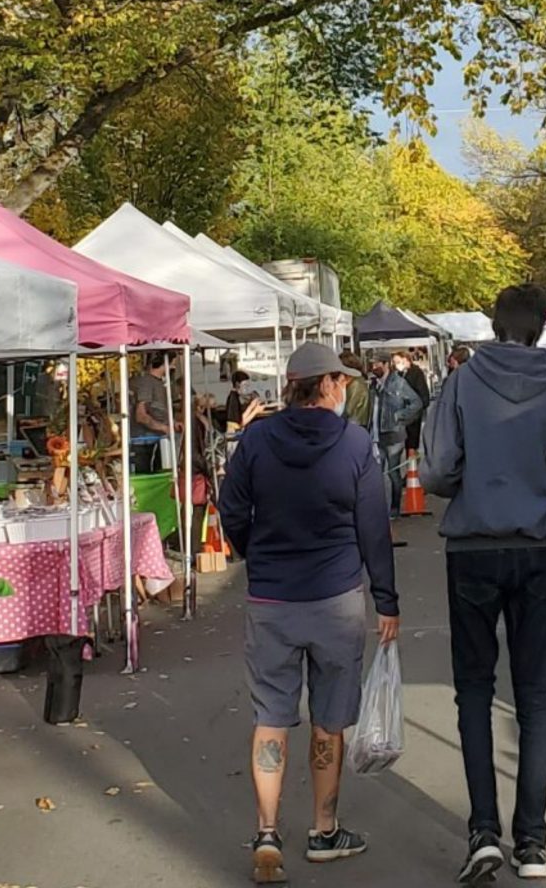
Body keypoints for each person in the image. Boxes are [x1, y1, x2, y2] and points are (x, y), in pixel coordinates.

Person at [217, 343, 401, 883]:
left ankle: (267, 831)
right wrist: (386, 599)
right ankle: (324, 830)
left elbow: (232, 509)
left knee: (271, 716)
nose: (346, 388)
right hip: (336, 598)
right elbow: (373, 527)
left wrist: (259, 552)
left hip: (272, 599)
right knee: (329, 719)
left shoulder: (255, 440)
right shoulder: (354, 444)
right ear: (326, 385)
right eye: (341, 381)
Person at [425, 284, 546, 884]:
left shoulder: (461, 382)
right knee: (535, 695)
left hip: (473, 545)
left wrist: (472, 478)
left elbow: (437, 469)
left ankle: (483, 831)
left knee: (473, 690)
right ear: (540, 328)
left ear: (493, 325)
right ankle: (533, 842)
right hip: (534, 545)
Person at [370, 356, 421, 512]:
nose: (373, 367)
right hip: (377, 435)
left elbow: (417, 402)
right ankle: (379, 509)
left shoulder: (398, 382)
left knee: (393, 474)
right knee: (376, 475)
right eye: (372, 364)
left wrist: (399, 416)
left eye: (377, 364)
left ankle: (394, 507)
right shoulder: (373, 385)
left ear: (386, 364)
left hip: (394, 435)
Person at [131, 351, 177, 471]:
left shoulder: (160, 383)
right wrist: (163, 427)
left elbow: (158, 410)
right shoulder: (146, 383)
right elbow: (141, 416)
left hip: (158, 441)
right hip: (145, 442)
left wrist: (173, 423)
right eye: (173, 364)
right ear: (165, 363)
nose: (174, 368)